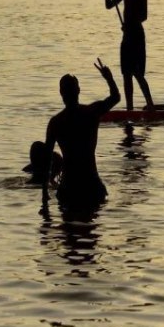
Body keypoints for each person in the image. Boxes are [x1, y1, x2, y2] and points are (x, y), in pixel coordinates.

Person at [41, 58, 120, 213]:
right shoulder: (91, 112)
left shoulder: (56, 122)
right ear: (78, 91)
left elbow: (46, 162)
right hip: (92, 185)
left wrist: (44, 197)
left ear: (61, 93)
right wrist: (109, 78)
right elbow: (115, 97)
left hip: (68, 188)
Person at [104, 0, 155, 112]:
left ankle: (150, 104)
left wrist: (130, 24)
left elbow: (144, 16)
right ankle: (129, 108)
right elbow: (109, 5)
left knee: (138, 73)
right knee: (126, 75)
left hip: (137, 36)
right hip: (127, 38)